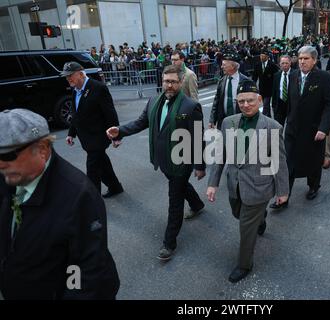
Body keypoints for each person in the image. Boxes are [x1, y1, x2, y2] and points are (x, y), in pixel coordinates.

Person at [0, 109, 120, 300]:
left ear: (42, 149)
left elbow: (88, 273)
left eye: (7, 155)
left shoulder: (79, 197)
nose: (1, 164)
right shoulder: (9, 177)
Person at [106, 65, 206, 261]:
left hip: (181, 161)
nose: (169, 85)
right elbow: (141, 122)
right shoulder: (153, 101)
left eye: (173, 82)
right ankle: (197, 203)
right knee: (180, 187)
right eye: (166, 81)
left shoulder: (190, 106)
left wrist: (200, 165)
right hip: (162, 159)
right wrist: (120, 131)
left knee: (174, 199)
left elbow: (197, 138)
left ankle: (169, 243)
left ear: (180, 82)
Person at [207, 80, 289, 283]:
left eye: (250, 100)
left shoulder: (272, 127)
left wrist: (283, 191)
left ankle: (244, 264)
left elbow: (279, 162)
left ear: (259, 100)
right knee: (238, 214)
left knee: (245, 228)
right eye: (241, 101)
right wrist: (213, 182)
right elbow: (221, 154)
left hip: (259, 187)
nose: (245, 105)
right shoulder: (228, 122)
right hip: (234, 185)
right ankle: (261, 218)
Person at [270, 46, 330, 210]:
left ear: (314, 60)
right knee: (288, 162)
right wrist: (279, 122)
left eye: (306, 58)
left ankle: (313, 186)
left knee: (313, 161)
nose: (302, 61)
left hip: (314, 130)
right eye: (299, 58)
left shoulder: (325, 78)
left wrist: (323, 128)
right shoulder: (292, 76)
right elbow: (287, 103)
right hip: (293, 128)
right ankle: (284, 196)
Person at [63, 62, 123, 198]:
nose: (68, 79)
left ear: (81, 73)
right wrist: (71, 133)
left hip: (98, 137)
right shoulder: (75, 90)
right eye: (66, 77)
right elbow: (75, 114)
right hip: (86, 137)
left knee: (93, 169)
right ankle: (115, 186)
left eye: (70, 75)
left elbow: (110, 113)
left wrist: (117, 136)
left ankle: (92, 200)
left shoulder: (98, 88)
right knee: (102, 163)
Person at [209, 53, 250, 129]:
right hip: (224, 121)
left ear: (233, 66)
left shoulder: (245, 81)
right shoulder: (222, 81)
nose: (221, 67)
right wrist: (212, 119)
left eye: (224, 65)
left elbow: (251, 103)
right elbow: (216, 101)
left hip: (241, 121)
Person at [252, 49, 279, 117]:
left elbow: (277, 76)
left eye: (263, 56)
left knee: (266, 104)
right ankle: (268, 116)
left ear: (267, 57)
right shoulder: (258, 65)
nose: (261, 57)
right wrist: (253, 86)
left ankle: (264, 117)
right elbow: (254, 76)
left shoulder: (272, 65)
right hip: (261, 88)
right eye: (261, 56)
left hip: (270, 88)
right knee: (265, 103)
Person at [271, 55, 291, 126]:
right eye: (282, 63)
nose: (284, 65)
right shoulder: (277, 75)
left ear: (290, 63)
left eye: (286, 63)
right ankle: (278, 137)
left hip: (291, 105)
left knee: (291, 127)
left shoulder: (295, 74)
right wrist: (273, 105)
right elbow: (274, 91)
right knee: (278, 127)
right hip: (279, 105)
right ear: (279, 64)